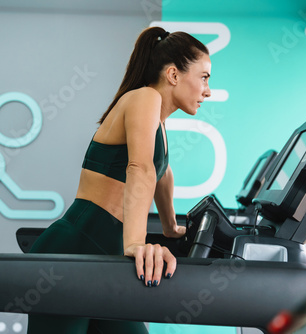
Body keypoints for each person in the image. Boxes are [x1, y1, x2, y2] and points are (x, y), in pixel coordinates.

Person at [27, 26, 211, 333]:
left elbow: (161, 173)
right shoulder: (144, 98)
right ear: (174, 75)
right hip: (76, 247)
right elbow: (140, 168)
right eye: (204, 77)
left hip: (107, 252)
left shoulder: (159, 121)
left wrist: (170, 228)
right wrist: (137, 244)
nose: (208, 90)